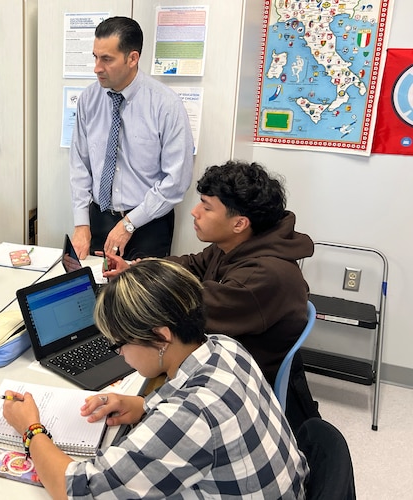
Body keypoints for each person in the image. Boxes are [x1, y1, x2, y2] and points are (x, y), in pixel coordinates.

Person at [2, 260, 308, 499]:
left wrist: (30, 429)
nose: (119, 353)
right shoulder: (225, 346)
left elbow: (80, 491)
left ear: (161, 337)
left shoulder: (190, 417)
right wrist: (141, 405)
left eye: (118, 343)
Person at [104, 160, 319, 431]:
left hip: (239, 394)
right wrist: (137, 268)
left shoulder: (262, 277)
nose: (195, 212)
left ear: (239, 223)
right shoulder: (238, 243)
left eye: (206, 207)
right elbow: (194, 265)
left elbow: (187, 311)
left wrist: (135, 291)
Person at [70, 16, 194, 261]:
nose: (97, 67)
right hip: (100, 217)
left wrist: (129, 223)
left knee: (143, 297)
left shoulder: (165, 104)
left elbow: (176, 180)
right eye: (95, 57)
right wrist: (81, 223)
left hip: (148, 222)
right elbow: (80, 164)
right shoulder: (88, 99)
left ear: (132, 58)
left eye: (106, 59)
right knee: (99, 293)